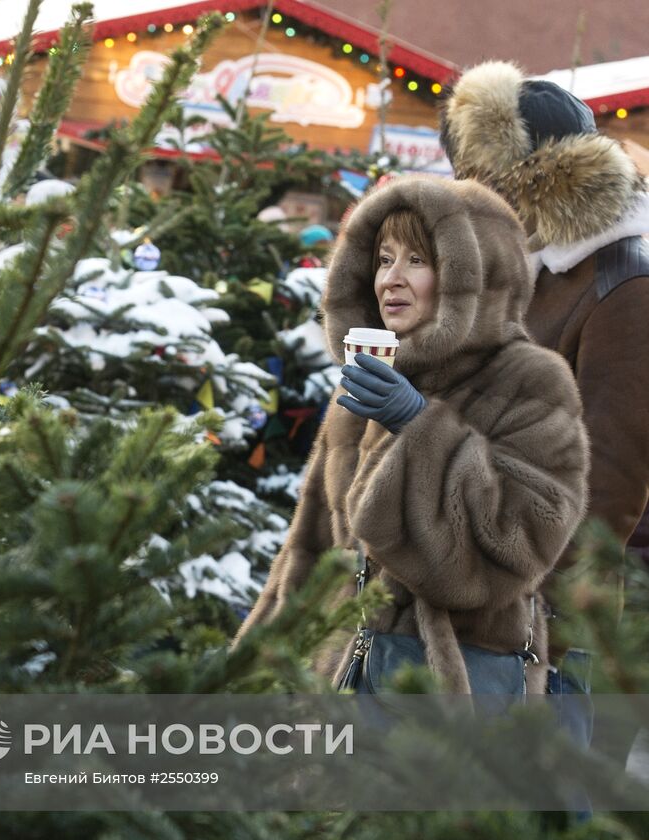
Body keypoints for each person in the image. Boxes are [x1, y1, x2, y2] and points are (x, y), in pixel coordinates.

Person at [235, 177, 590, 696]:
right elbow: (311, 550)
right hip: (338, 675)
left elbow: (523, 544)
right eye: (383, 259)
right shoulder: (370, 377)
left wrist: (421, 429)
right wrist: (253, 669)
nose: (391, 280)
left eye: (417, 261)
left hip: (451, 689)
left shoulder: (529, 379)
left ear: (476, 274)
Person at [440, 62, 649, 566]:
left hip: (537, 601)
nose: (468, 190)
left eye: (481, 173)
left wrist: (525, 598)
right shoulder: (515, 264)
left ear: (537, 180)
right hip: (467, 577)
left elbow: (608, 482)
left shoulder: (623, 284)